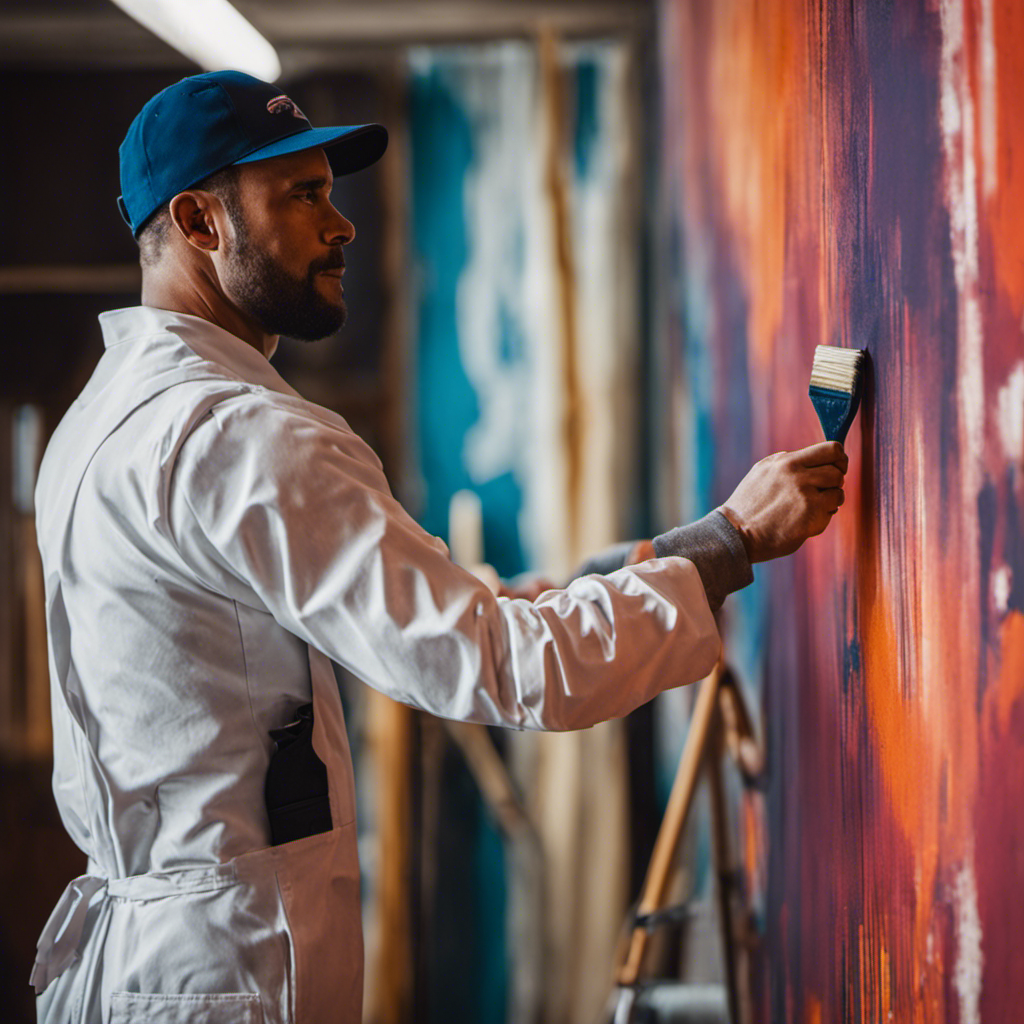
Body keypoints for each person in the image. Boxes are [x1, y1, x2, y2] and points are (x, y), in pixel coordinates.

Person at [30, 71, 848, 1024]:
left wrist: (650, 560)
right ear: (202, 222)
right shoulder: (244, 439)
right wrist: (732, 541)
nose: (341, 226)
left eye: (331, 192)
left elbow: (417, 609)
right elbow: (505, 667)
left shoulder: (104, 418)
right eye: (303, 195)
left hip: (152, 959)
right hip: (226, 971)